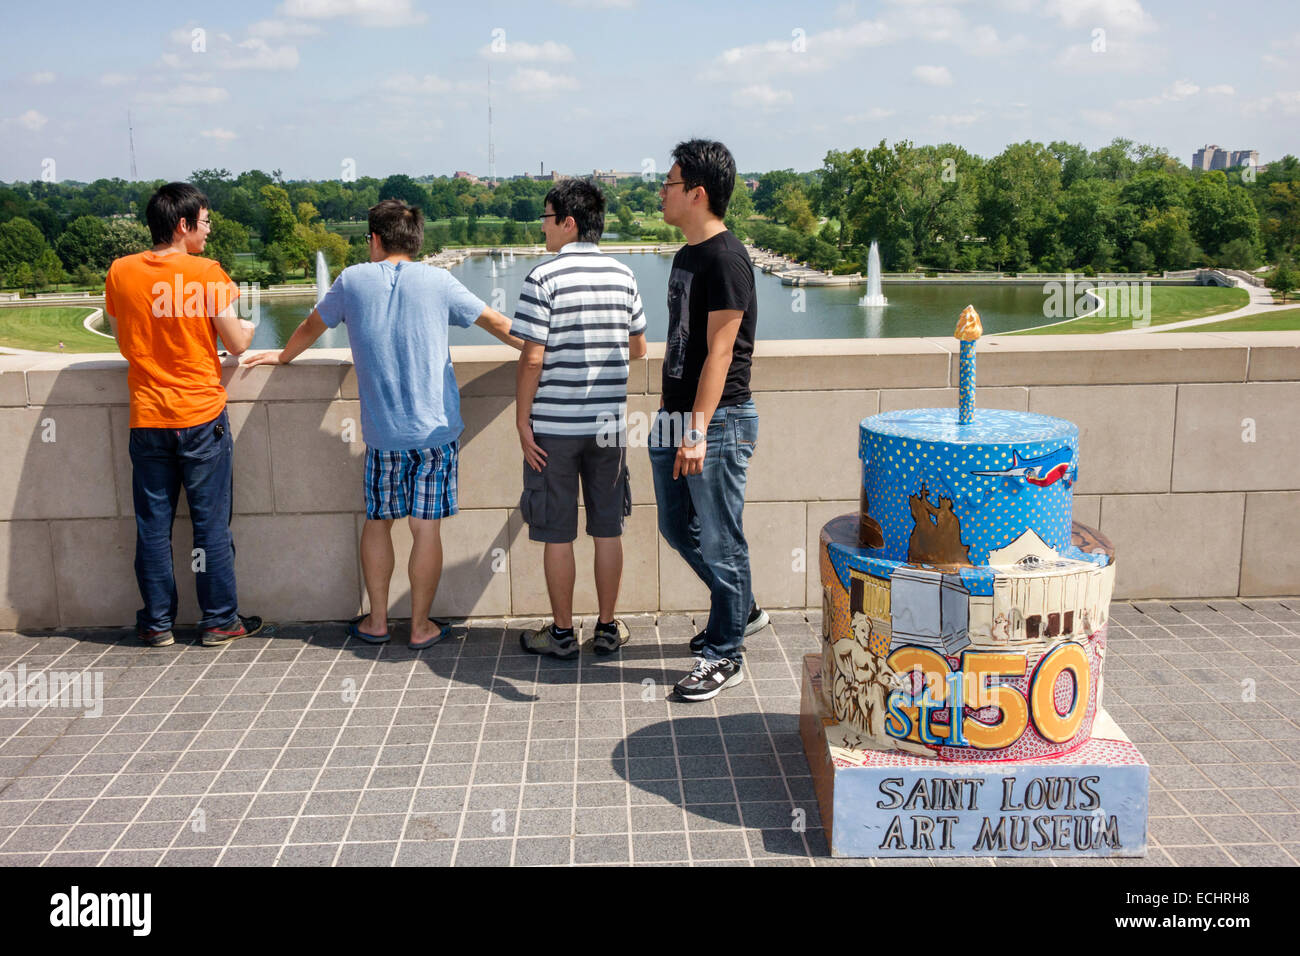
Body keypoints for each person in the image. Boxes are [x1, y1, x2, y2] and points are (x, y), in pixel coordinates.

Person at [245, 199, 520, 647]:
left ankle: (375, 621)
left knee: (379, 522)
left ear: (374, 238)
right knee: (424, 527)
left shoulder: (352, 281)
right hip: (436, 431)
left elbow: (312, 325)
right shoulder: (439, 280)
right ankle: (419, 627)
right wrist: (542, 350)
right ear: (416, 240)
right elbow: (498, 323)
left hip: (382, 433)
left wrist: (281, 355)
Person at [104, 182, 261, 647]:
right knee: (210, 525)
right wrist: (246, 329)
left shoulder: (120, 271)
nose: (209, 231)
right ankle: (218, 620)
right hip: (199, 415)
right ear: (183, 225)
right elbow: (236, 343)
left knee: (152, 526)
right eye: (205, 222)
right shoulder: (207, 273)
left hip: (147, 416)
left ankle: (157, 624)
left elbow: (124, 340)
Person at [652, 139, 768, 702]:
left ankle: (726, 652)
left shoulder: (726, 258)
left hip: (716, 422)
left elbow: (720, 354)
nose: (662, 192)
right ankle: (740, 608)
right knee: (677, 528)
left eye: (669, 184)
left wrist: (696, 431)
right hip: (673, 417)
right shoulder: (685, 255)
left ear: (696, 193)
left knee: (723, 540)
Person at [513, 179, 647, 658]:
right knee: (607, 528)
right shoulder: (624, 276)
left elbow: (531, 358)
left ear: (568, 222)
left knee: (558, 532)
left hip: (554, 428)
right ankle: (608, 628)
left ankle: (564, 633)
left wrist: (522, 421)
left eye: (546, 218)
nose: (543, 227)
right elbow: (639, 348)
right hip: (608, 424)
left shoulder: (543, 278)